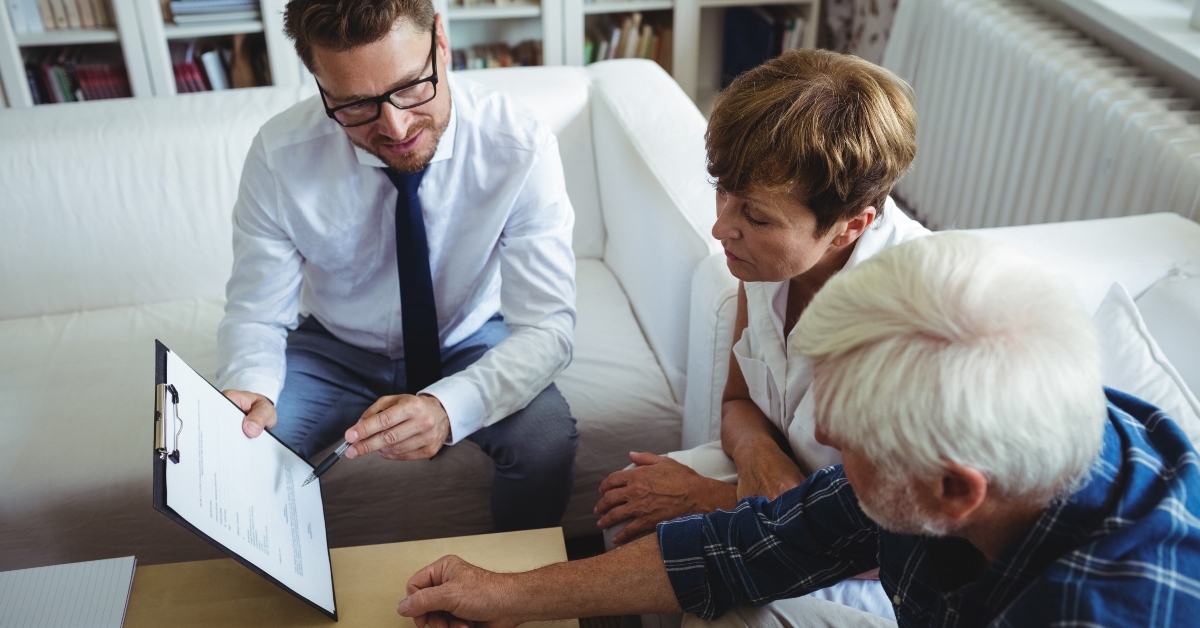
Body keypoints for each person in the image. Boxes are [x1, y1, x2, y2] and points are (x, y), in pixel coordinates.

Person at [392, 232, 1200, 627]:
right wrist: (507, 594)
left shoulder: (1101, 607)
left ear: (955, 491)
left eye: (846, 445)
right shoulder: (989, 434)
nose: (823, 449)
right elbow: (751, 545)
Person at [214, 0, 579, 532]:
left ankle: (513, 580)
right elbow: (255, 314)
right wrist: (250, 385)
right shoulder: (279, 155)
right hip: (333, 349)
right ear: (320, 86)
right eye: (355, 105)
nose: (396, 125)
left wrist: (448, 407)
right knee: (238, 456)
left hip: (467, 338)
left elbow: (547, 327)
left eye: (411, 87)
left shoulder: (521, 145)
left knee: (546, 443)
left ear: (441, 42)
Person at [596, 49, 926, 618]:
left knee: (729, 607)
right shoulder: (767, 262)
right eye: (722, 190)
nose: (720, 227)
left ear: (850, 227)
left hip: (872, 567)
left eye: (756, 216)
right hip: (783, 492)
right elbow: (737, 401)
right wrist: (758, 454)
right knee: (630, 503)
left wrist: (713, 498)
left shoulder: (912, 328)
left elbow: (893, 541)